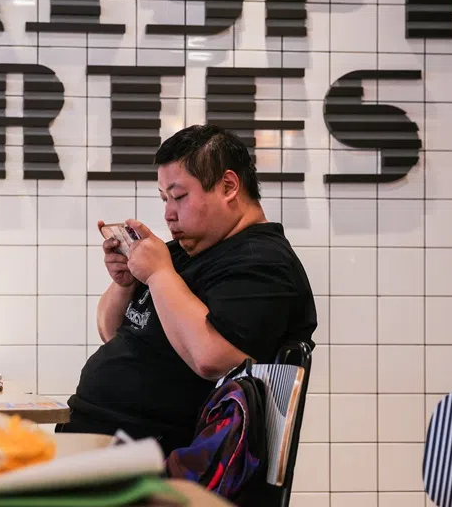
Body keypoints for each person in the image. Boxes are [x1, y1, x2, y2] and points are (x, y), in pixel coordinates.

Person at [56, 124, 317, 454]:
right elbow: (110, 331)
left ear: (228, 186)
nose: (168, 213)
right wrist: (125, 283)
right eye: (164, 199)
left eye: (179, 197)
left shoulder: (263, 263)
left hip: (157, 456)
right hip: (101, 433)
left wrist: (159, 274)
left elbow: (212, 358)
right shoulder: (182, 253)